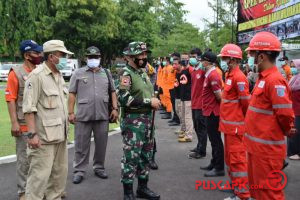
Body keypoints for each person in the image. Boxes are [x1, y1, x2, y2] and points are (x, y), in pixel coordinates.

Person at [245, 32, 295, 200]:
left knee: (269, 194)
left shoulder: (274, 81)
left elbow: (285, 114)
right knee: (257, 192)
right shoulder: (263, 79)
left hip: (267, 151)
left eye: (252, 55)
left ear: (261, 57)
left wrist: (287, 130)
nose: (250, 60)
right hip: (256, 149)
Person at [22, 40, 72, 200]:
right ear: (51, 57)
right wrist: (32, 135)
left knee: (58, 179)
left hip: (60, 137)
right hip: (43, 140)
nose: (65, 59)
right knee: (38, 181)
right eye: (62, 55)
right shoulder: (36, 77)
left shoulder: (58, 76)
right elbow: (29, 109)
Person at [68, 46, 118, 184]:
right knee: (81, 145)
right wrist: (71, 112)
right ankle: (79, 170)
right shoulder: (78, 73)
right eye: (91, 57)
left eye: (96, 57)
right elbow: (72, 93)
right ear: (86, 58)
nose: (93, 59)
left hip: (102, 114)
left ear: (100, 58)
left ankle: (99, 167)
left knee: (101, 144)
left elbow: (113, 91)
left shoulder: (106, 73)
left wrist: (115, 108)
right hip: (83, 115)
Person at [118, 41, 160, 200]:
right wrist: (149, 102)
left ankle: (143, 188)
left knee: (145, 156)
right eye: (140, 55)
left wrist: (154, 97)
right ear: (130, 57)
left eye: (144, 54)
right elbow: (124, 98)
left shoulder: (142, 73)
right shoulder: (125, 73)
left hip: (148, 122)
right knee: (131, 157)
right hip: (133, 123)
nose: (144, 57)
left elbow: (145, 93)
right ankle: (128, 192)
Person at [5, 40, 43, 200]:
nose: (40, 56)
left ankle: (38, 190)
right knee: (24, 160)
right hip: (23, 124)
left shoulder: (40, 70)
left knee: (40, 160)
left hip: (40, 123)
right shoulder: (16, 73)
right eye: (36, 53)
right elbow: (10, 98)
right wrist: (14, 123)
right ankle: (23, 192)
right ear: (27, 55)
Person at [218, 44, 251, 200]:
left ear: (232, 60)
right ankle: (235, 186)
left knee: (238, 160)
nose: (223, 61)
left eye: (224, 58)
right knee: (230, 159)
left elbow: (246, 103)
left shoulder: (239, 77)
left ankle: (242, 194)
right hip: (228, 126)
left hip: (236, 127)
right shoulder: (229, 75)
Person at [200, 51, 225, 177]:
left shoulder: (213, 75)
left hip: (213, 112)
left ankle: (219, 167)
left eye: (202, 60)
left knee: (216, 141)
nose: (200, 62)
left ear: (207, 61)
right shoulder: (209, 73)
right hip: (209, 111)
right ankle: (214, 163)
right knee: (213, 139)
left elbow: (219, 96)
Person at [188, 48, 208, 159]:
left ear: (199, 57)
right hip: (194, 103)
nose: (192, 58)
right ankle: (199, 146)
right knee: (196, 127)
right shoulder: (194, 70)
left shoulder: (204, 70)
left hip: (201, 104)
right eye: (191, 56)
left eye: (194, 56)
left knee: (201, 129)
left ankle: (202, 151)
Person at [177, 53, 194, 143]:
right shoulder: (183, 70)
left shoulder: (190, 69)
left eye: (185, 58)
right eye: (182, 58)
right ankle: (184, 131)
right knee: (183, 115)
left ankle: (189, 135)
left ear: (188, 59)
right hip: (183, 97)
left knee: (188, 117)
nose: (183, 60)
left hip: (188, 97)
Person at [288, 59, 300, 160]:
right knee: (293, 132)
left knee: (297, 133)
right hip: (292, 110)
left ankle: (298, 153)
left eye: (294, 67)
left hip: (298, 111)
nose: (293, 69)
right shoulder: (294, 79)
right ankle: (292, 152)